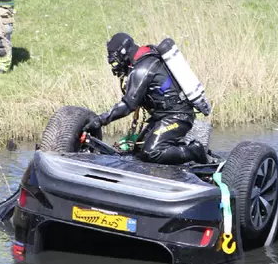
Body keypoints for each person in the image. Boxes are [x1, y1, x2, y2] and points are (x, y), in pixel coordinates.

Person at [82, 33, 209, 165]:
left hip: (178, 117)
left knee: (150, 153)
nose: (115, 65)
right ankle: (176, 154)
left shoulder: (142, 69)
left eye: (115, 60)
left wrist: (100, 120)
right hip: (163, 117)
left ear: (124, 53)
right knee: (138, 151)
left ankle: (194, 151)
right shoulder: (144, 60)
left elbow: (127, 106)